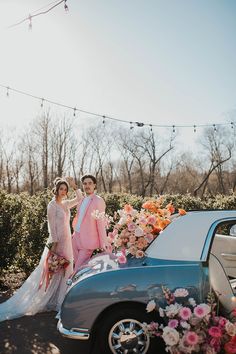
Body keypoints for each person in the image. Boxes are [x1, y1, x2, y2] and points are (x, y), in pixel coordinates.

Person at [0, 177, 82, 322]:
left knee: (65, 270)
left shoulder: (65, 204)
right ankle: (46, 299)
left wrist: (75, 187)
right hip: (57, 242)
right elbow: (51, 226)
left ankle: (60, 301)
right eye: (61, 189)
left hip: (67, 241)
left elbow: (80, 199)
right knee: (52, 270)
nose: (63, 191)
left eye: (65, 189)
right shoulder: (52, 205)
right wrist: (55, 245)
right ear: (56, 190)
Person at [68, 174, 110, 276]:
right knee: (78, 268)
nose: (87, 186)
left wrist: (104, 244)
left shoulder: (98, 200)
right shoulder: (82, 199)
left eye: (90, 183)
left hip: (87, 242)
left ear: (94, 185)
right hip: (75, 238)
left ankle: (73, 290)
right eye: (85, 184)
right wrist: (74, 186)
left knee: (77, 270)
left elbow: (101, 224)